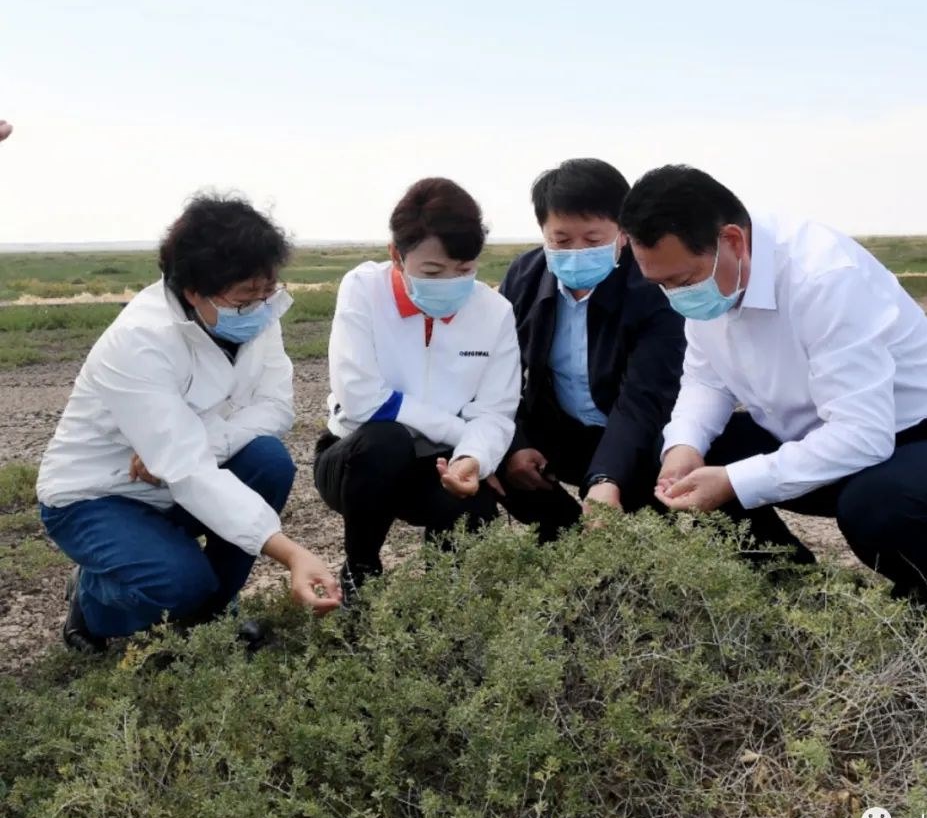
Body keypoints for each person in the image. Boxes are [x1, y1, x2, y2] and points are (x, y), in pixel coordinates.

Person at [620, 165, 927, 604]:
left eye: (684, 281)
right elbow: (705, 380)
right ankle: (796, 595)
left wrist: (734, 481)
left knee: (879, 506)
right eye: (662, 285)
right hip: (817, 438)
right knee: (676, 452)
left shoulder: (823, 276)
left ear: (732, 241)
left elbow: (863, 436)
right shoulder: (715, 277)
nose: (677, 297)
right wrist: (684, 448)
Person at [37, 194, 342, 654]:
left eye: (268, 291)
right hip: (98, 494)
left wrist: (195, 442)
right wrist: (293, 554)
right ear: (194, 290)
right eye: (245, 297)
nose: (261, 307)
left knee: (268, 461)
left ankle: (208, 618)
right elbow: (188, 470)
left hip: (172, 475)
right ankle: (90, 599)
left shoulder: (258, 314)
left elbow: (277, 408)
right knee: (179, 582)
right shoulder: (140, 340)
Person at [314, 178, 520, 598]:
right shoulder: (363, 289)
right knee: (385, 440)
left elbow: (495, 411)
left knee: (476, 501)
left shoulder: (495, 312)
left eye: (464, 270)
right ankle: (361, 576)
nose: (451, 283)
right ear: (396, 255)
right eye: (432, 272)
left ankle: (445, 604)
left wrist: (472, 457)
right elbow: (361, 398)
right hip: (357, 460)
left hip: (437, 464)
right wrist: (461, 432)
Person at [496, 158, 686, 540]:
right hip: (559, 427)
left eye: (593, 240)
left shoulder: (653, 287)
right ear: (543, 232)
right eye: (561, 240)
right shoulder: (524, 276)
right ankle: (564, 537)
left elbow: (644, 397)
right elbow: (497, 373)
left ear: (623, 233)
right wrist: (516, 444)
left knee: (659, 491)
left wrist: (606, 476)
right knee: (487, 445)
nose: (577, 252)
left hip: (634, 432)